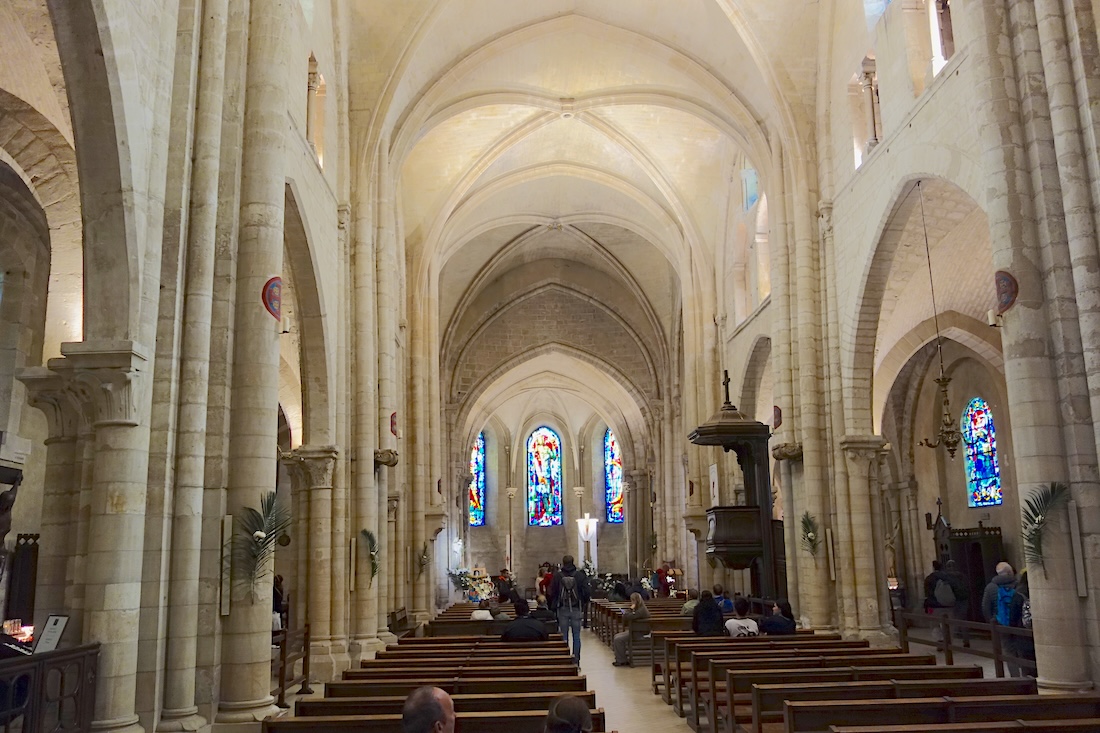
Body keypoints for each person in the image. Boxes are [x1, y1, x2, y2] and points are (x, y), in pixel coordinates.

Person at [549, 554, 591, 665]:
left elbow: (551, 592)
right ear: (573, 562)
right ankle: (576, 661)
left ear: (563, 562)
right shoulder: (580, 575)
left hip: (562, 608)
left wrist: (553, 606)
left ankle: (565, 660)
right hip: (576, 608)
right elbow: (587, 591)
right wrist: (583, 602)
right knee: (576, 636)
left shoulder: (557, 576)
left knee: (564, 635)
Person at [982, 562, 1020, 676]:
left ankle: (1016, 677)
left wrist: (991, 621)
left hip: (1001, 623)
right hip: (1018, 622)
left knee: (1008, 651)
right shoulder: (1018, 585)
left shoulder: (991, 587)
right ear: (1010, 572)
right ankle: (1028, 675)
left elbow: (985, 606)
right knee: (1022, 650)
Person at [1007, 569, 1034, 677]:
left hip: (1023, 635)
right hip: (1038, 632)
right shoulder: (1037, 592)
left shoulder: (1018, 594)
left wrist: (1011, 633)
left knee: (1027, 666)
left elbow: (1013, 616)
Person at [612, 592, 650, 666]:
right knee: (616, 636)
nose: (631, 602)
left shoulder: (641, 610)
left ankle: (621, 660)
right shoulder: (640, 608)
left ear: (636, 601)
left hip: (639, 633)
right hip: (636, 631)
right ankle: (621, 658)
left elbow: (627, 617)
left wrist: (629, 609)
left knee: (618, 639)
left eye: (632, 600)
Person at [944, 560, 971, 646]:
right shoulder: (962, 576)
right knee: (963, 620)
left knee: (950, 621)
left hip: (952, 601)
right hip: (963, 600)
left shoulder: (947, 577)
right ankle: (966, 640)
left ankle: (949, 642)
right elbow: (967, 587)